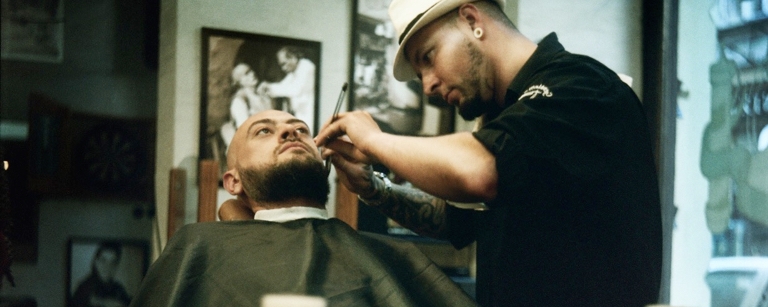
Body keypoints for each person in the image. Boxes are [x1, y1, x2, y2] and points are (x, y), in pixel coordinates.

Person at [314, 0, 663, 306]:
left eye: (429, 57)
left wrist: (375, 141)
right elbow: (458, 221)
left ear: (471, 21)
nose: (427, 85)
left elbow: (479, 172)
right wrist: (373, 188)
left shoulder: (580, 85)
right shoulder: (505, 118)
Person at [130, 110, 477, 307]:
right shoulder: (196, 246)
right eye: (264, 131)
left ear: (324, 161)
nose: (289, 134)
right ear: (233, 182)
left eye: (300, 130)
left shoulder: (392, 255)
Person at [261, 47, 317, 131]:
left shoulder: (306, 66)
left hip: (310, 114)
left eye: (284, 64)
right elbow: (282, 86)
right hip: (301, 114)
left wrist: (269, 87)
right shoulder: (294, 71)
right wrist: (267, 87)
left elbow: (294, 90)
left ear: (293, 58)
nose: (283, 68)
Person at [220, 62, 272, 148]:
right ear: (240, 82)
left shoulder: (264, 95)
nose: (252, 74)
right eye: (246, 74)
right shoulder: (240, 101)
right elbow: (246, 132)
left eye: (251, 71)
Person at [70, 242, 132, 307]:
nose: (107, 267)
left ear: (116, 266)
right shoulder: (84, 288)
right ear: (96, 262)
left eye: (113, 262)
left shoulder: (119, 289)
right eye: (103, 260)